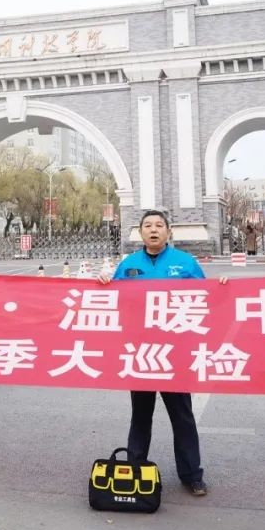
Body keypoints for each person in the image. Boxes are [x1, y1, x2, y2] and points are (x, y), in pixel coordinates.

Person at [98, 210, 227, 497]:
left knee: (182, 415)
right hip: (141, 353)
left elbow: (207, 300)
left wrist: (221, 288)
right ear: (140, 232)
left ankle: (192, 474)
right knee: (140, 415)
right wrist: (104, 281)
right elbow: (113, 303)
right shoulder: (128, 265)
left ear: (168, 232)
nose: (153, 230)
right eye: (147, 226)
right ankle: (133, 468)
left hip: (176, 354)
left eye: (159, 225)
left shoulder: (185, 263)